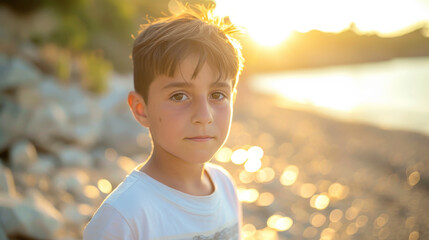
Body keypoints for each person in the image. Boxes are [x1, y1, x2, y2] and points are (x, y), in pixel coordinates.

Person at [83, 3, 244, 240]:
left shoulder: (225, 186)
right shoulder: (123, 218)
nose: (204, 115)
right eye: (179, 96)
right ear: (141, 109)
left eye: (217, 95)